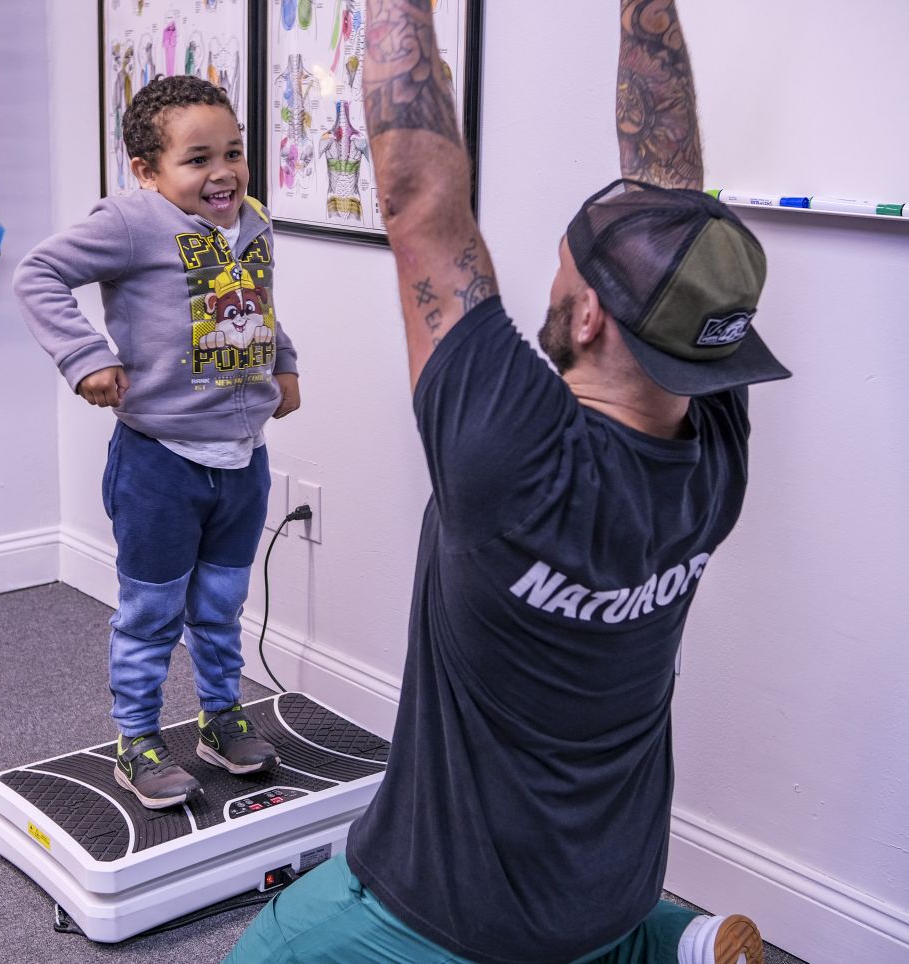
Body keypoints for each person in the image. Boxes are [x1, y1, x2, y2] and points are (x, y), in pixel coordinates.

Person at [225, 1, 786, 962]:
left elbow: (414, 199)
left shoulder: (515, 459)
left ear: (593, 320)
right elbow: (672, 203)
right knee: (601, 932)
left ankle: (662, 945)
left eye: (564, 269)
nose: (551, 280)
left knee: (268, 950)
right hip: (614, 883)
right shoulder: (713, 453)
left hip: (450, 915)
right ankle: (667, 944)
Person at [13, 76, 300, 810]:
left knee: (221, 602)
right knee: (151, 611)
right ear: (146, 171)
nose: (224, 172)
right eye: (198, 158)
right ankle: (136, 739)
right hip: (160, 463)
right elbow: (39, 273)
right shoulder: (132, 223)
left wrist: (284, 365)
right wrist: (87, 357)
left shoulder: (252, 222)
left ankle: (220, 718)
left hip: (243, 458)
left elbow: (254, 305)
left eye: (234, 152)